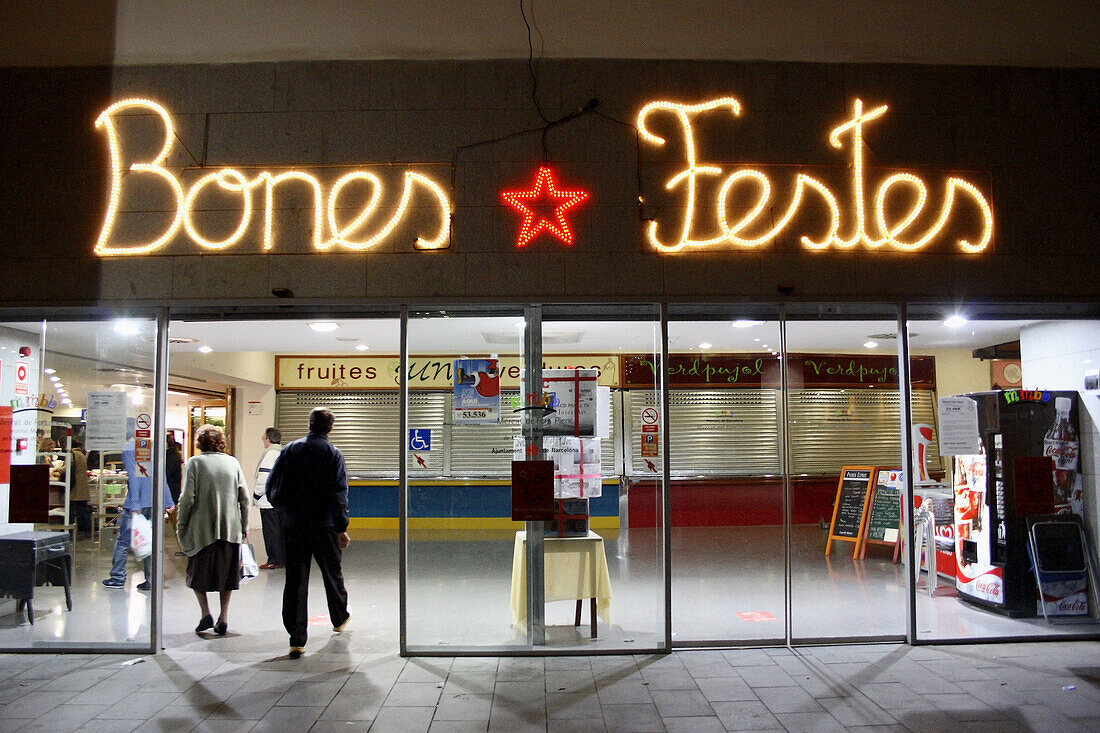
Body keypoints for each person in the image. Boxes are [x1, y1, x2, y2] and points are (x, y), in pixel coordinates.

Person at [267, 407, 351, 659]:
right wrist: (341, 527)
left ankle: (297, 638)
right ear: (330, 428)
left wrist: (286, 510)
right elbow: (339, 494)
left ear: (309, 424)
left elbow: (273, 485)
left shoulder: (290, 450)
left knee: (295, 579)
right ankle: (339, 617)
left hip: (294, 525)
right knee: (332, 574)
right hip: (324, 526)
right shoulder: (333, 454)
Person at [175, 424, 250, 636]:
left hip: (202, 531)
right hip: (229, 529)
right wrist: (243, 526)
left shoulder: (195, 463)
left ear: (200, 443)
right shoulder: (232, 462)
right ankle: (223, 617)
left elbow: (187, 497)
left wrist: (181, 525)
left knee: (196, 573)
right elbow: (244, 497)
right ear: (221, 442)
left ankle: (205, 613)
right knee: (228, 574)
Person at [102, 435, 175, 590]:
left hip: (138, 503)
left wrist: (135, 503)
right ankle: (151, 579)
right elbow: (161, 476)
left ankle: (117, 577)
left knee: (123, 541)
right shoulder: (153, 447)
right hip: (154, 501)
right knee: (150, 540)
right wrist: (167, 500)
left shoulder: (129, 449)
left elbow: (134, 478)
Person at [253, 427, 284, 569]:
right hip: (279, 499)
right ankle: (281, 558)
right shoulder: (282, 452)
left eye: (263, 437)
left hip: (268, 500)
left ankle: (274, 560)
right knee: (279, 530)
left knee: (271, 532)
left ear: (268, 439)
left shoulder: (270, 454)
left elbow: (264, 478)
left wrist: (256, 494)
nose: (262, 440)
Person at [60, 440, 92, 539]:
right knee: (83, 510)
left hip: (75, 487)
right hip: (82, 485)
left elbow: (68, 468)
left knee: (70, 510)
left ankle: (67, 530)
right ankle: (87, 531)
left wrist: (58, 469)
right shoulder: (81, 454)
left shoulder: (72, 454)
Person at [166, 434, 184, 505]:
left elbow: (168, 473)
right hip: (174, 489)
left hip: (171, 489)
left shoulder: (171, 457)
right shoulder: (174, 455)